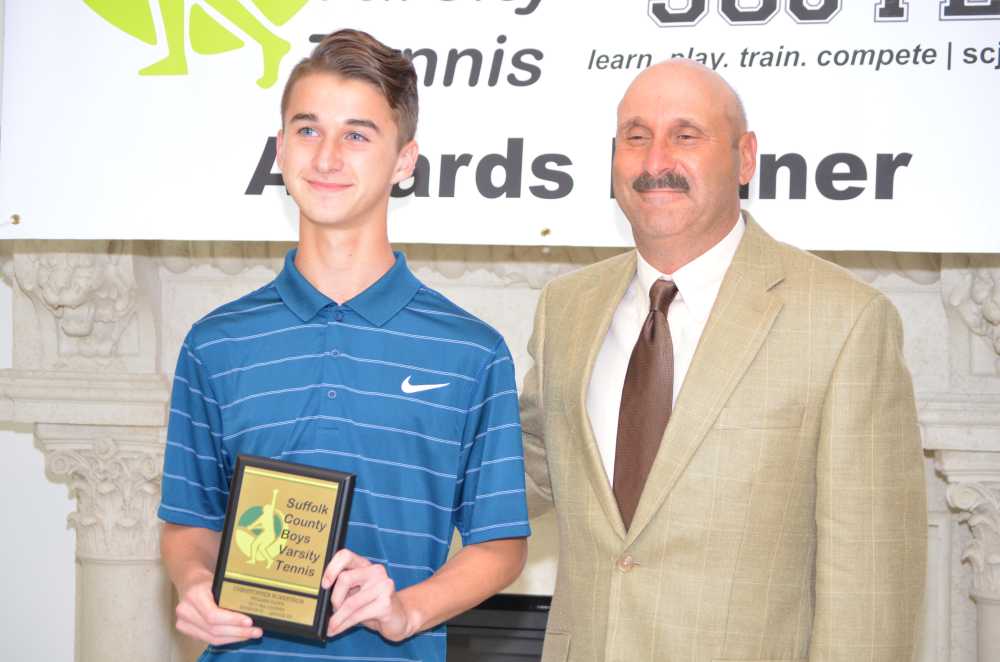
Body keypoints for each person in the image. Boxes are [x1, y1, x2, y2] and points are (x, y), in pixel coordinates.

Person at [521, 59, 926, 662]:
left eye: (686, 135)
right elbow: (520, 475)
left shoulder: (846, 321)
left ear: (744, 158)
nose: (656, 160)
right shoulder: (566, 309)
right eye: (636, 136)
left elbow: (870, 591)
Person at [158, 29, 530, 662]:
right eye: (308, 130)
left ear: (405, 161)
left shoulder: (473, 352)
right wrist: (195, 582)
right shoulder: (214, 344)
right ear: (281, 149)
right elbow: (189, 521)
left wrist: (406, 610)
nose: (327, 157)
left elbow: (501, 545)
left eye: (357, 135)